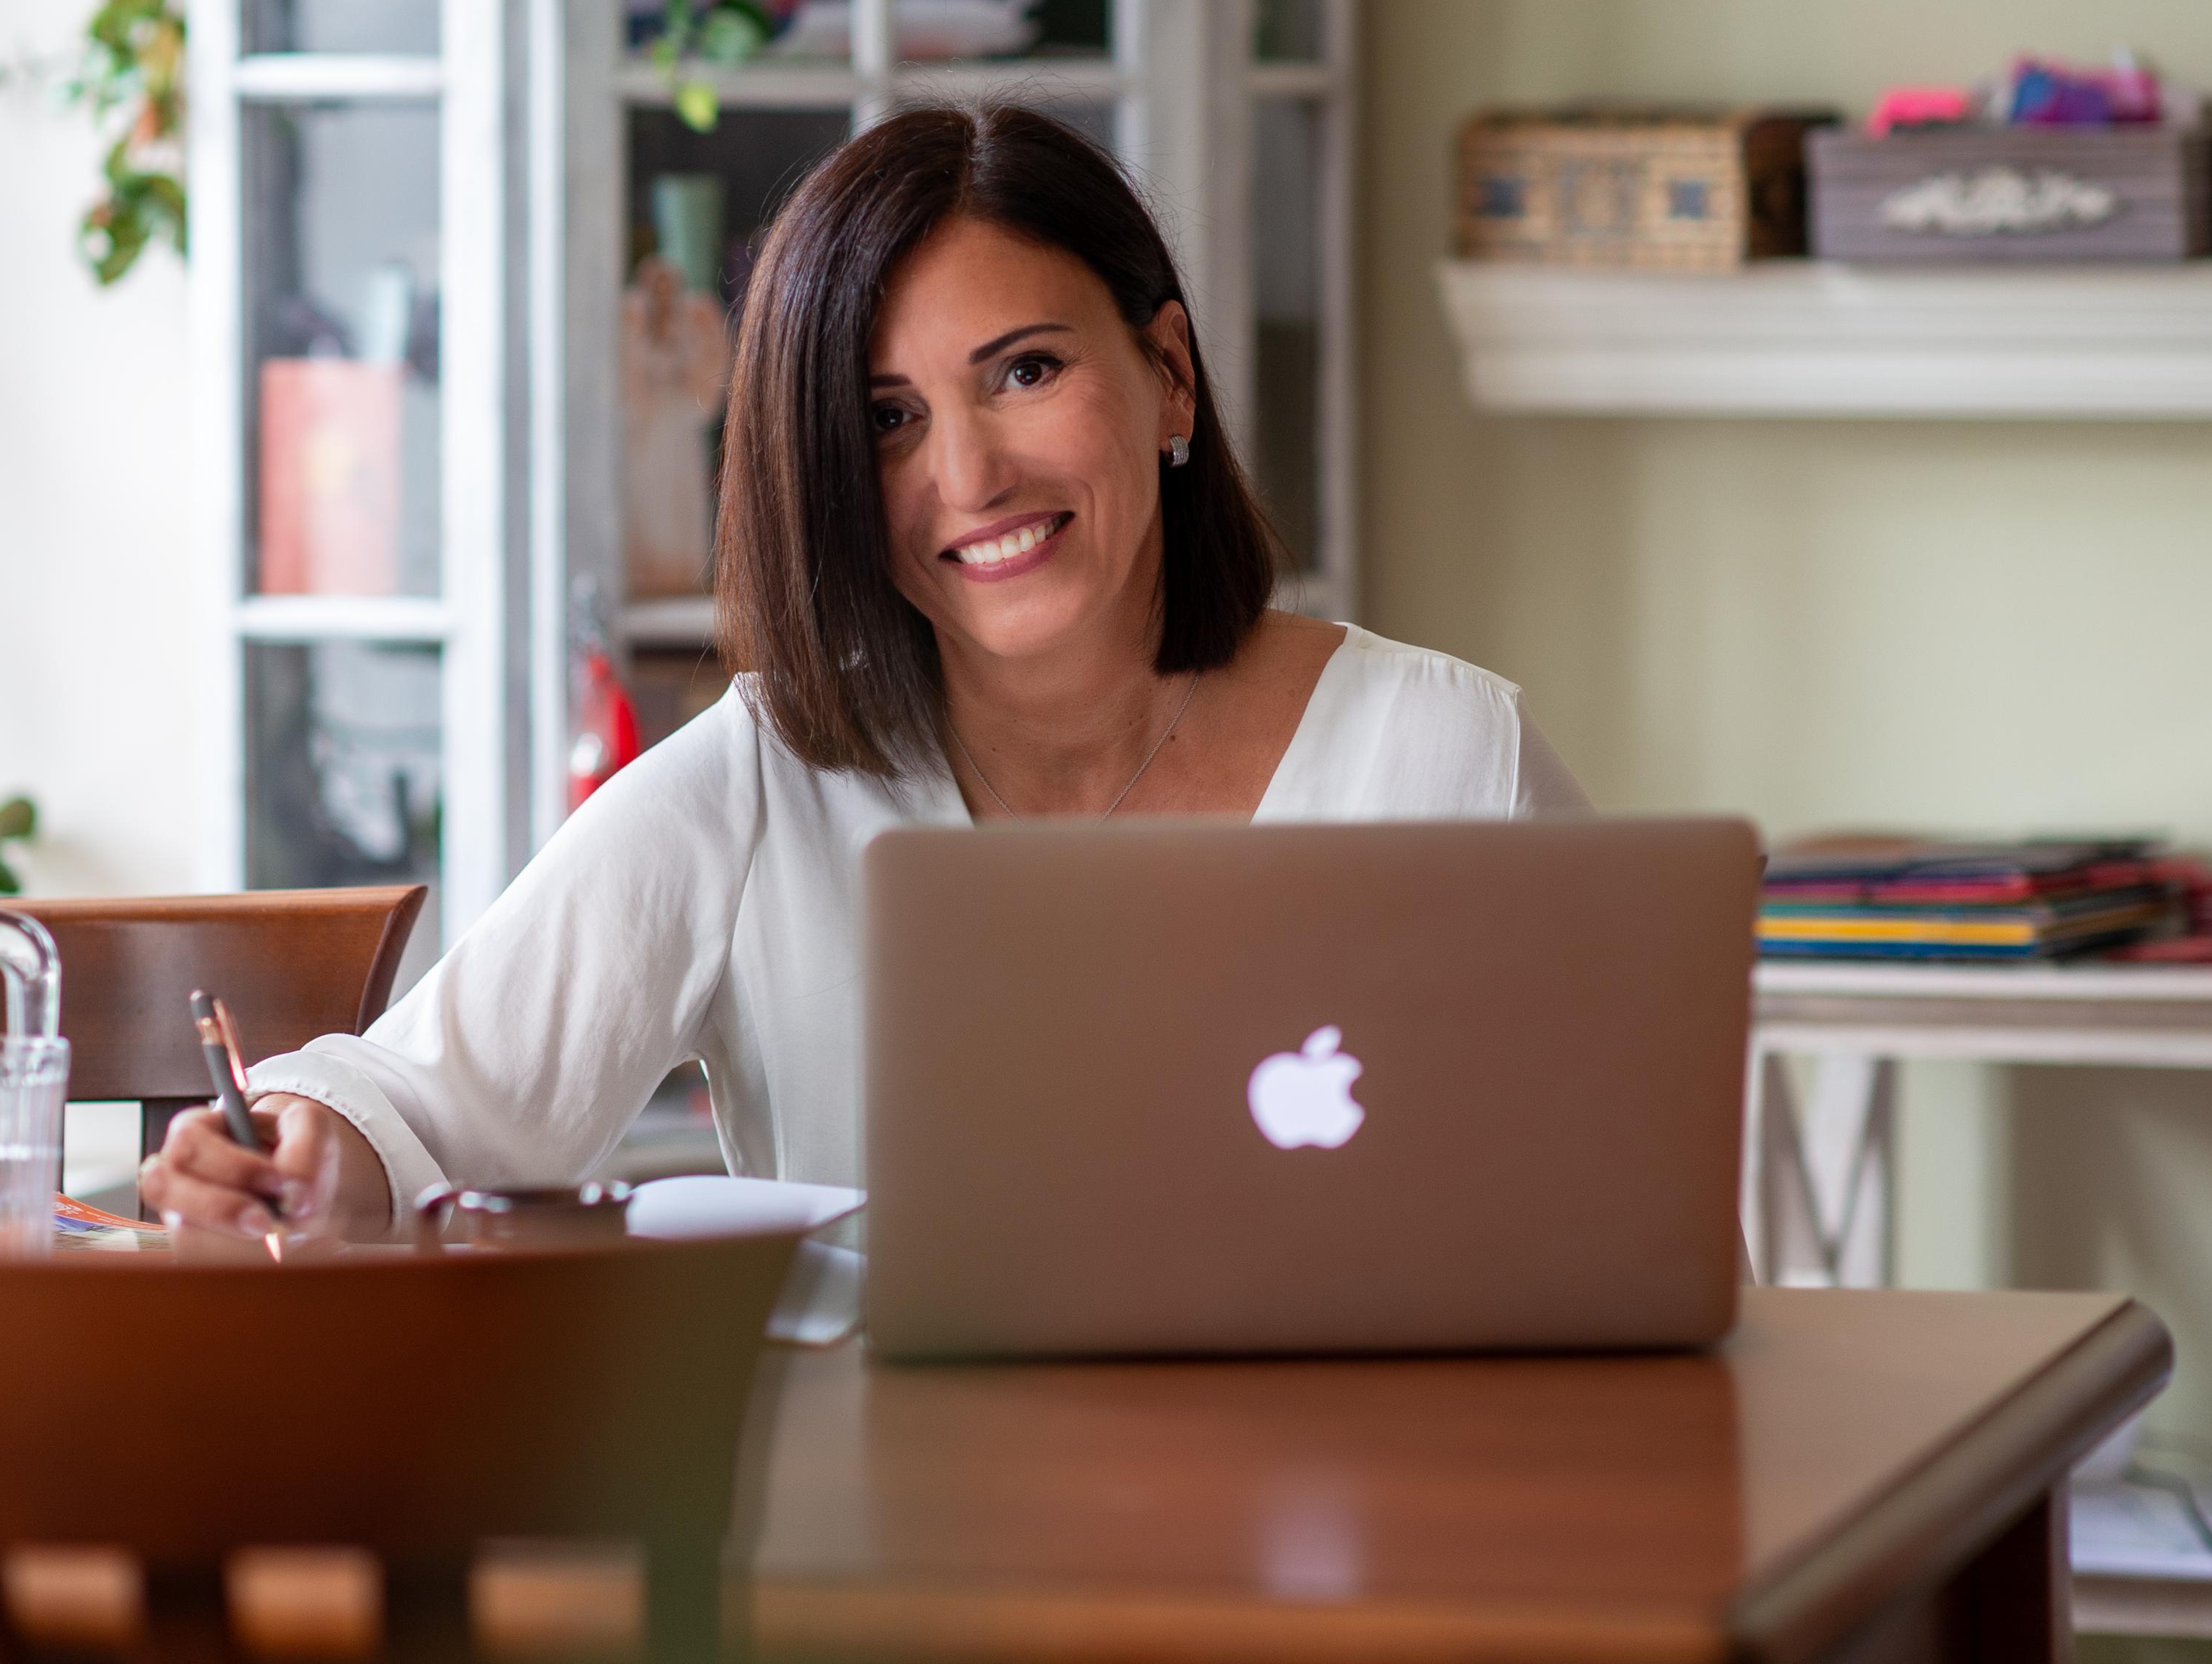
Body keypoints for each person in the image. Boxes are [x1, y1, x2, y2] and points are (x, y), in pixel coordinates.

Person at [143, 104, 1590, 1242]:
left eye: (1023, 371)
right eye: (886, 417)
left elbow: (1624, 1227)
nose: (966, 474)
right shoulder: (766, 777)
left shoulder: (1449, 752)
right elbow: (428, 1101)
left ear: (1168, 376)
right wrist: (305, 1144)